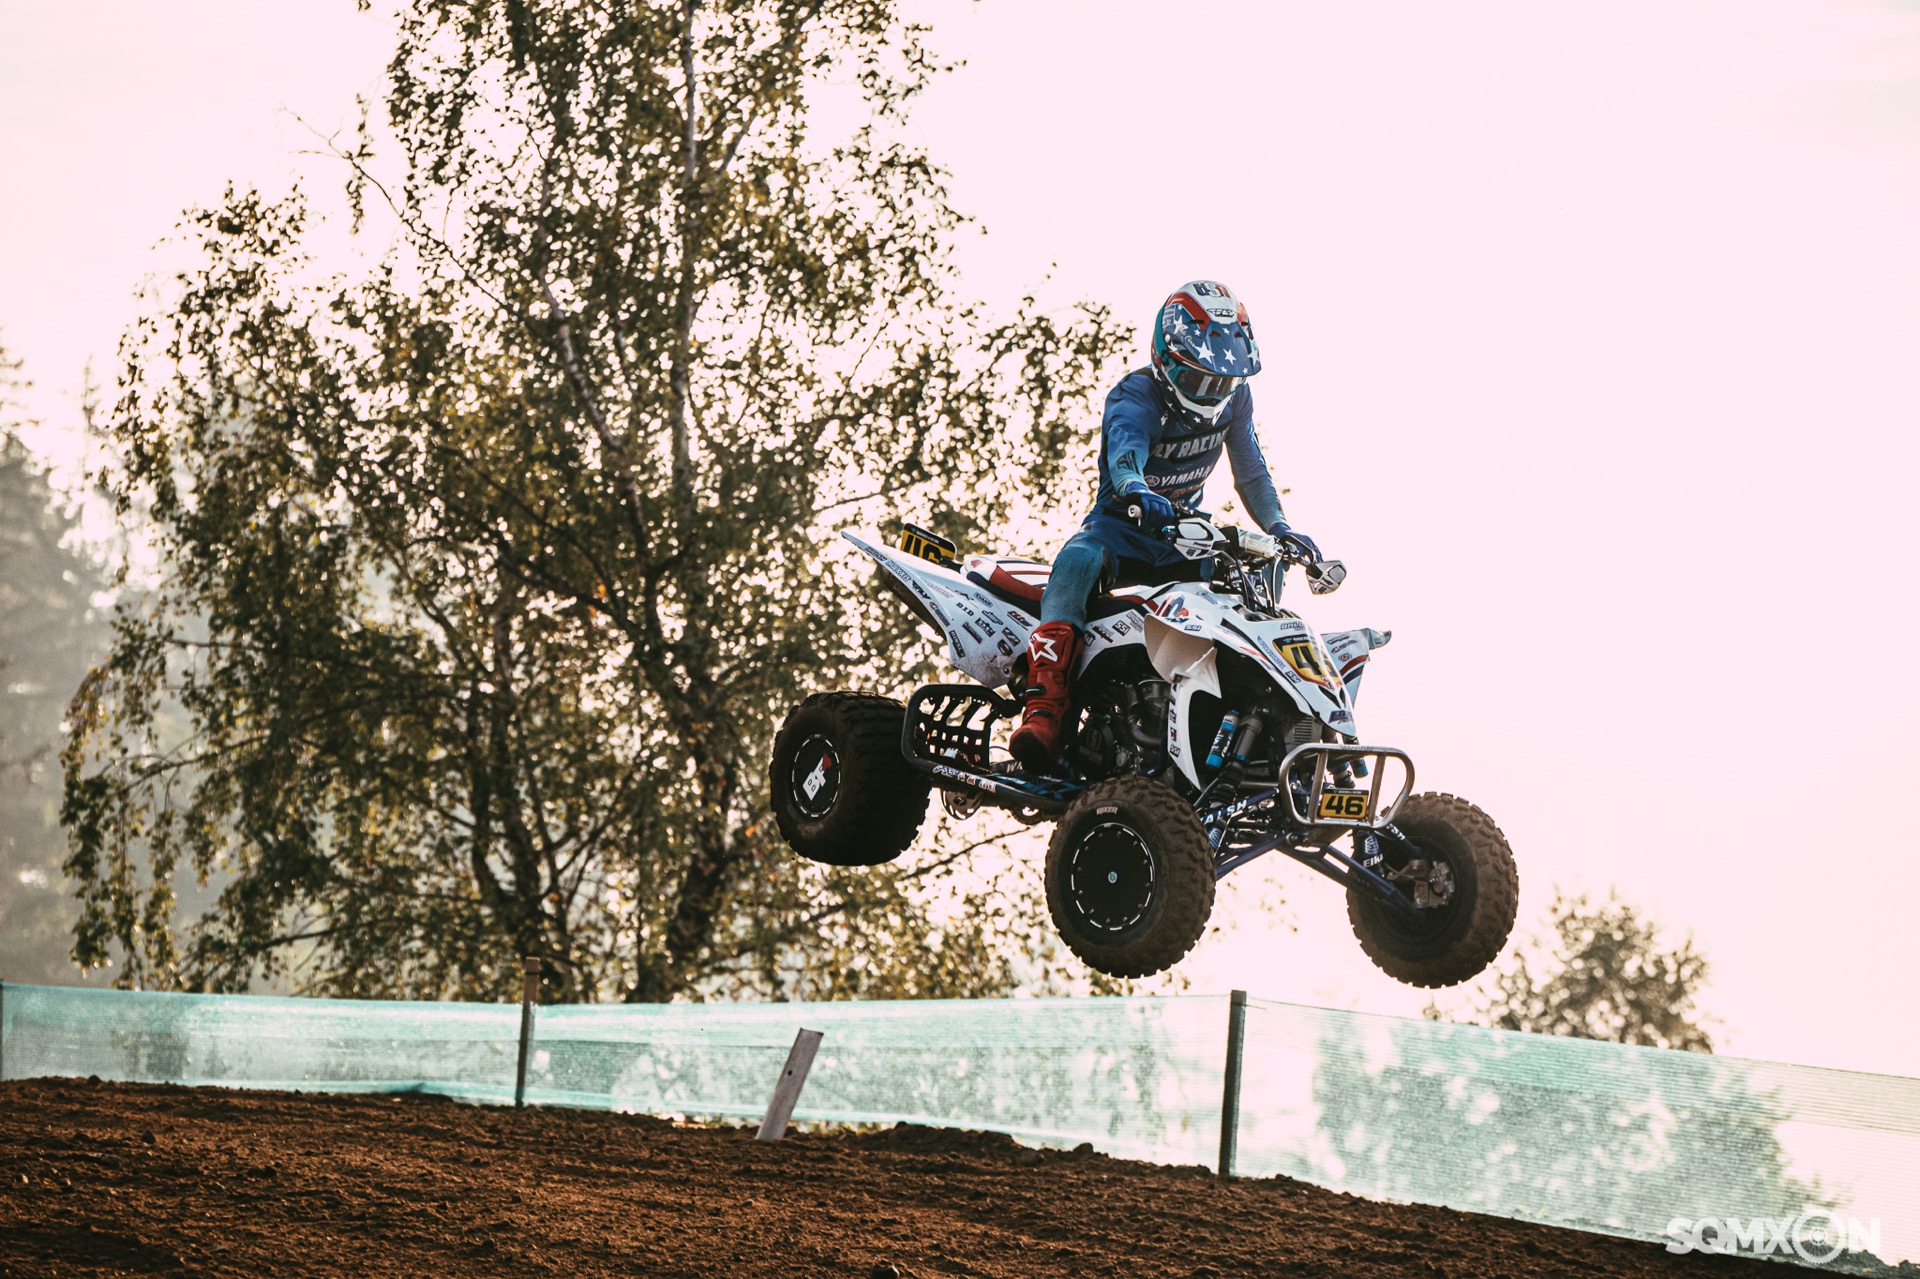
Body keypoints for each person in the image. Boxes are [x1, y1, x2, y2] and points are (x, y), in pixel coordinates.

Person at [1008, 280, 1324, 772]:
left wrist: (1280, 528)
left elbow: (1251, 471)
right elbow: (1125, 451)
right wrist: (1136, 490)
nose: (1214, 391)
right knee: (1076, 560)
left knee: (1254, 580)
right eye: (1201, 379)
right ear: (1167, 359)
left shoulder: (1237, 400)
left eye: (1224, 381)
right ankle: (1044, 711)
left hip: (1185, 536)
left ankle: (1244, 722)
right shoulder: (1137, 393)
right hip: (1121, 527)